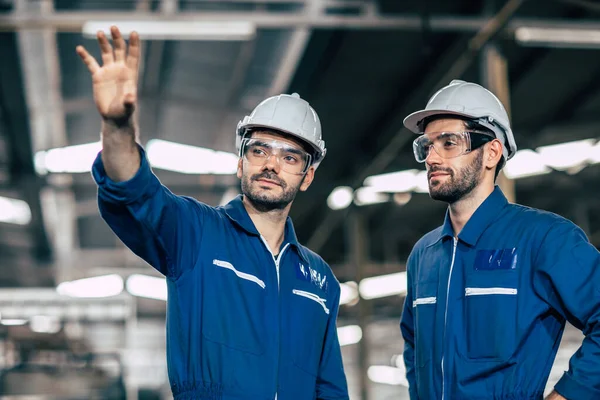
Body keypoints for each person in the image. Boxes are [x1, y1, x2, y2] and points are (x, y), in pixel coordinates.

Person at [76, 26, 349, 400]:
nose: (271, 164)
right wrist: (117, 125)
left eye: (289, 157)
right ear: (240, 163)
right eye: (259, 150)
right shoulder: (195, 234)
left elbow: (329, 387)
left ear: (307, 176)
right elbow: (133, 191)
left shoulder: (320, 279)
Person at [399, 79, 600, 400]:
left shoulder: (545, 239)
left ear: (492, 152)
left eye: (449, 143)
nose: (432, 158)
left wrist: (568, 394)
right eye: (427, 145)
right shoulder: (424, 255)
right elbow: (413, 344)